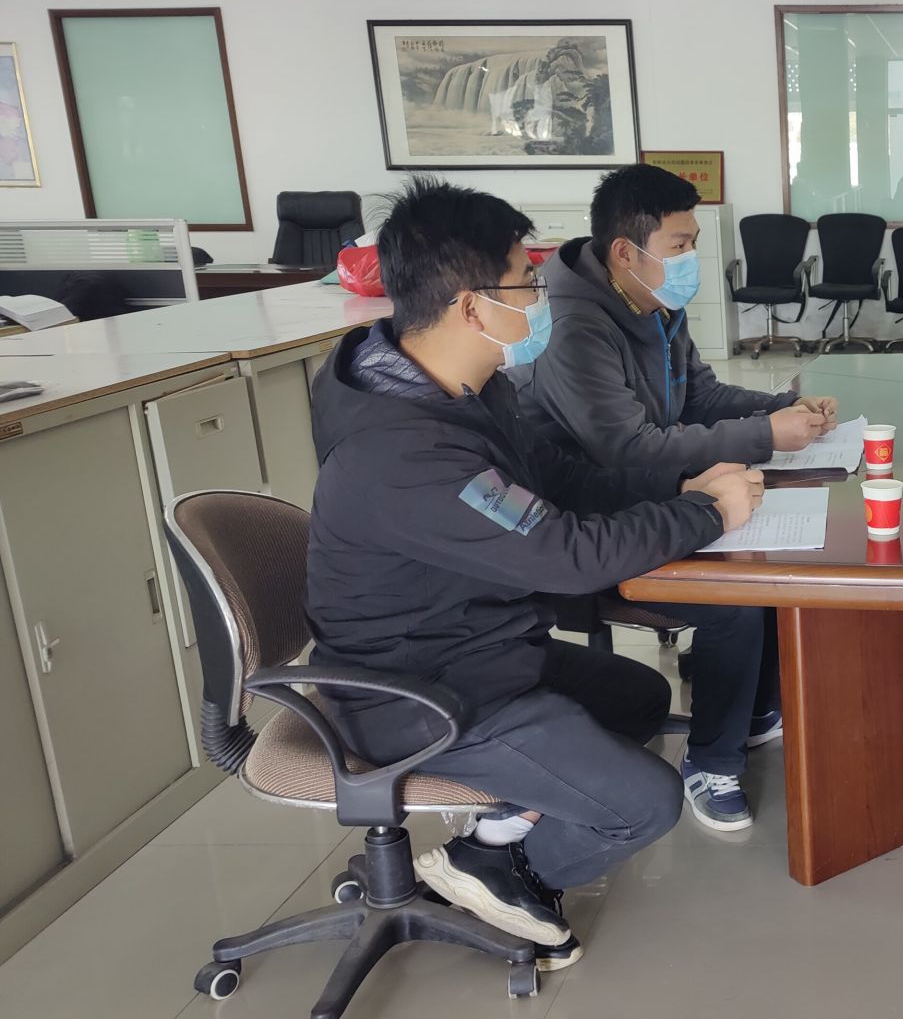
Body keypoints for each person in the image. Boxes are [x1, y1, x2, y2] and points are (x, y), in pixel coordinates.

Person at [305, 176, 762, 971]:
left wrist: (679, 487)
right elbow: (562, 552)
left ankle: (496, 834)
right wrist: (706, 516)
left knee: (639, 698)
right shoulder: (405, 450)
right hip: (415, 692)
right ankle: (500, 872)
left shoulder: (459, 387)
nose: (542, 296)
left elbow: (556, 480)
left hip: (474, 645)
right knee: (646, 803)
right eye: (526, 281)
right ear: (471, 307)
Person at [522, 163, 838, 830]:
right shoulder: (574, 327)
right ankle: (711, 762)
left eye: (694, 241)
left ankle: (752, 707)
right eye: (681, 244)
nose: (692, 258)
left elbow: (700, 396)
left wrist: (783, 409)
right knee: (733, 601)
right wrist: (764, 435)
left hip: (655, 493)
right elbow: (625, 448)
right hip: (587, 520)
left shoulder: (654, 299)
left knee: (773, 564)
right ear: (625, 251)